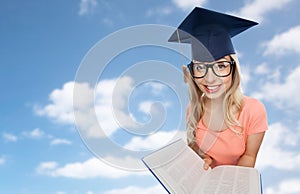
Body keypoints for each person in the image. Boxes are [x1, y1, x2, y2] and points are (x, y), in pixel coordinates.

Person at [168, 7, 268, 170]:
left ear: (234, 68)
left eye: (221, 66)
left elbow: (249, 157)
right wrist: (200, 156)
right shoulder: (193, 110)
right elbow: (193, 146)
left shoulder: (253, 110)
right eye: (200, 67)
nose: (209, 79)